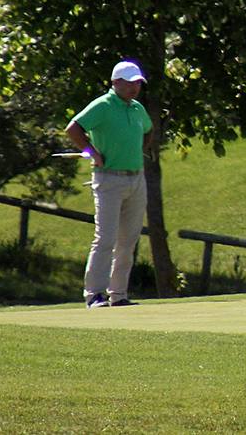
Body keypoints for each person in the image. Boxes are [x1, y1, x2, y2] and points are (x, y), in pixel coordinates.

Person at [65, 59, 155, 308]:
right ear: (116, 82)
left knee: (128, 241)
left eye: (137, 84)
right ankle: (94, 294)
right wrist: (93, 153)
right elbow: (73, 128)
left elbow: (149, 130)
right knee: (105, 238)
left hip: (136, 177)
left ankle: (119, 294)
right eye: (129, 83)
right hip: (109, 179)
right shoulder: (103, 105)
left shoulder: (137, 108)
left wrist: (141, 149)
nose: (134, 88)